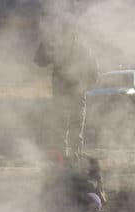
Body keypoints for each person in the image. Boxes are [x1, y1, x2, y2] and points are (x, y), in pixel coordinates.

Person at [34, 24, 99, 158]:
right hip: (60, 94)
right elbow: (39, 61)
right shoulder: (57, 49)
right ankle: (62, 157)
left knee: (76, 126)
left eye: (69, 34)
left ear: (75, 35)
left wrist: (84, 86)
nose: (66, 37)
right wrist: (46, 43)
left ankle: (76, 155)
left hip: (77, 94)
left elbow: (94, 73)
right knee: (60, 125)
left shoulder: (84, 51)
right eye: (64, 34)